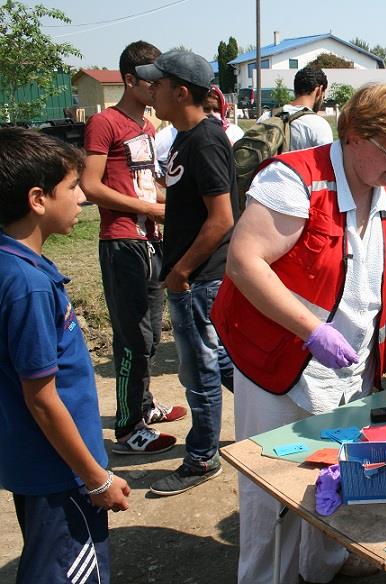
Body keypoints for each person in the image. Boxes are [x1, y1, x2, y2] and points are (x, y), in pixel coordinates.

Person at [211, 84, 386, 584]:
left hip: (350, 366)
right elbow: (245, 263)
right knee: (272, 483)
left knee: (334, 471)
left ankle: (322, 566)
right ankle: (265, 577)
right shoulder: (295, 179)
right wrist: (312, 329)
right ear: (354, 135)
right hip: (280, 362)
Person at [0, 128, 131, 583]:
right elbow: (41, 397)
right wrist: (95, 478)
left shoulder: (15, 264)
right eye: (72, 188)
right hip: (62, 473)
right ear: (38, 199)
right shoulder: (28, 286)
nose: (82, 199)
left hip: (43, 463)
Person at [136, 50, 238, 495]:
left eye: (157, 84)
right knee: (224, 364)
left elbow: (222, 218)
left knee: (200, 374)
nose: (150, 90)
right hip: (196, 277)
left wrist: (181, 271)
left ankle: (200, 459)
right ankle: (282, 414)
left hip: (199, 279)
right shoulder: (183, 137)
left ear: (180, 91)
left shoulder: (204, 139)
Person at [81, 40, 184, 456]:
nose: (158, 88)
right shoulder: (105, 123)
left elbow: (148, 180)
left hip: (150, 240)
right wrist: (148, 208)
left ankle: (142, 405)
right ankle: (127, 428)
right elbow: (91, 186)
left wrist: (169, 203)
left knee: (150, 336)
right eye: (151, 81)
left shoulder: (146, 127)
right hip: (123, 242)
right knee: (131, 340)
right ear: (130, 80)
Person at [155, 84, 246, 166]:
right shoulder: (175, 131)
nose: (212, 114)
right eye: (206, 109)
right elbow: (153, 156)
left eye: (216, 109)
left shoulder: (234, 132)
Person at [278, 65, 334, 150]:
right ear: (319, 90)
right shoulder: (319, 125)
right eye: (323, 96)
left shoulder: (266, 117)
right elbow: (326, 161)